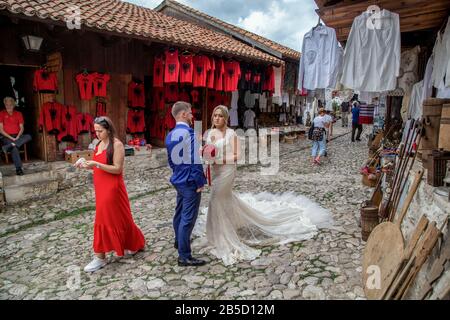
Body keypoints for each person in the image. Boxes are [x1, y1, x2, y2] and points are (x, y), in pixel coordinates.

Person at [192, 105, 333, 266]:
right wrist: (204, 155)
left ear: (226, 118)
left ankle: (221, 235)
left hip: (227, 170)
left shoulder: (231, 134)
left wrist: (220, 160)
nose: (217, 118)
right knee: (224, 199)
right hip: (215, 171)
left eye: (220, 116)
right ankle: (225, 226)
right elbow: (206, 150)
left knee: (215, 199)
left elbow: (237, 156)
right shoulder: (210, 133)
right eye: (215, 115)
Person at [75, 116, 145, 272]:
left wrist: (96, 164)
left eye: (100, 131)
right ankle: (134, 243)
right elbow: (97, 166)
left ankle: (100, 257)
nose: (97, 134)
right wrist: (84, 164)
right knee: (120, 218)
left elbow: (117, 169)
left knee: (102, 218)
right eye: (95, 131)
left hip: (112, 188)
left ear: (108, 129)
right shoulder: (99, 144)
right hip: (100, 187)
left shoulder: (117, 145)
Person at [165, 101, 207, 267]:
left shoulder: (170, 135)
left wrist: (177, 173)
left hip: (178, 179)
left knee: (179, 213)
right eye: (190, 113)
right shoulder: (189, 133)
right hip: (190, 180)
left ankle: (178, 241)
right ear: (183, 114)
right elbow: (195, 160)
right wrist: (199, 181)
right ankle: (184, 256)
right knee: (188, 218)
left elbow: (170, 160)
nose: (192, 116)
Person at [0, 97, 32, 175]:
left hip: (17, 136)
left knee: (28, 136)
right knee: (14, 148)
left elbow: (22, 128)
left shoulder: (18, 113)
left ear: (13, 105)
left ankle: (9, 146)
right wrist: (11, 138)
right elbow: (1, 130)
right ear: (4, 104)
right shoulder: (1, 113)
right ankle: (18, 169)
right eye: (6, 104)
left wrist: (17, 137)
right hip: (6, 136)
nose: (8, 106)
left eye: (10, 104)